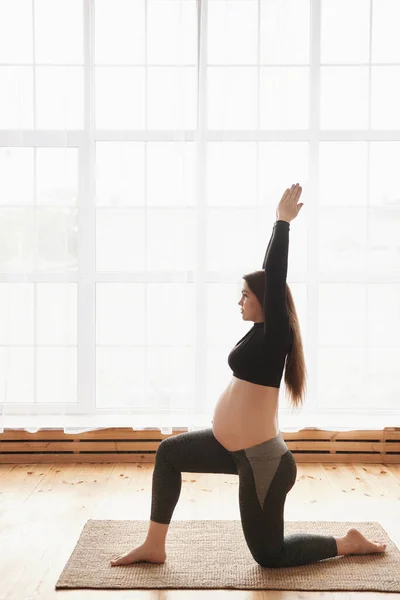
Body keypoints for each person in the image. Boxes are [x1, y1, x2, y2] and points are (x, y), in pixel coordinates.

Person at [111, 183, 386, 567]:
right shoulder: (259, 332)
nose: (239, 301)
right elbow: (265, 279)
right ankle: (154, 545)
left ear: (264, 302)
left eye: (245, 295)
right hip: (229, 447)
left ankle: (347, 543)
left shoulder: (277, 335)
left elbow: (272, 275)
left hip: (263, 463)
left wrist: (282, 223)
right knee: (168, 454)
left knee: (270, 556)